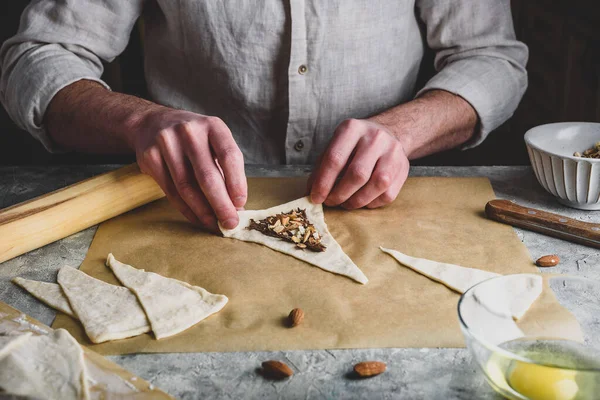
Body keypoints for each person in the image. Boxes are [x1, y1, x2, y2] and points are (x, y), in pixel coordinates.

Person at [0, 1, 527, 231]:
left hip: (385, 209)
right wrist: (138, 121)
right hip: (184, 211)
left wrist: (406, 130)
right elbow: (37, 57)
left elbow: (491, 58)